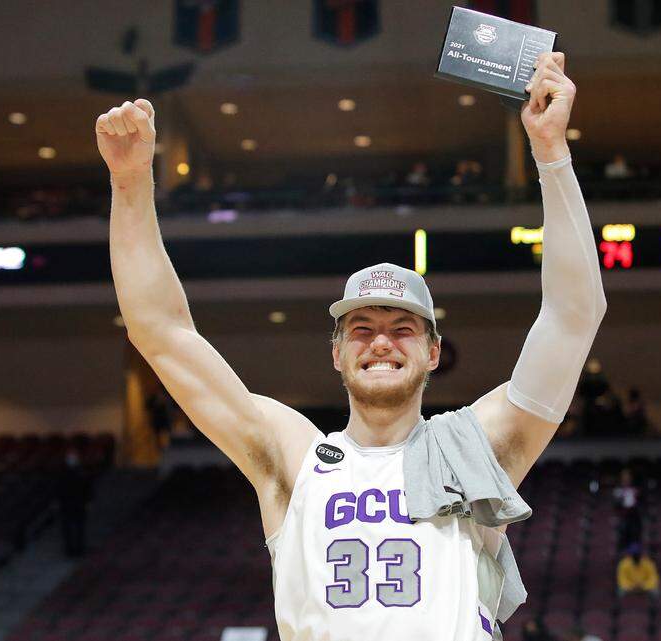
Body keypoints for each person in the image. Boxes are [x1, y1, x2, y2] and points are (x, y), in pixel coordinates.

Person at [97, 51, 605, 641]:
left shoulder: (477, 447)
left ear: (434, 352)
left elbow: (573, 317)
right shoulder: (292, 458)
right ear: (336, 353)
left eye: (403, 327)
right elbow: (161, 333)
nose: (381, 341)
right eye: (361, 329)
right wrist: (130, 183)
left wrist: (550, 153)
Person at [57, 447, 92, 557]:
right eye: (70, 456)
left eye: (73, 457)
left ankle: (80, 549)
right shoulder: (62, 472)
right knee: (67, 529)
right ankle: (69, 550)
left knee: (79, 529)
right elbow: (58, 488)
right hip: (66, 504)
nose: (71, 458)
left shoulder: (82, 472)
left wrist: (88, 501)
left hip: (79, 504)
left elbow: (88, 488)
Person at [613, 467, 643, 553]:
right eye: (624, 476)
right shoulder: (618, 490)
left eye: (628, 476)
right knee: (622, 545)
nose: (626, 478)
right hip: (623, 522)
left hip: (635, 522)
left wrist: (637, 496)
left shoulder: (636, 490)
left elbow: (641, 505)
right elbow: (615, 506)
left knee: (634, 545)